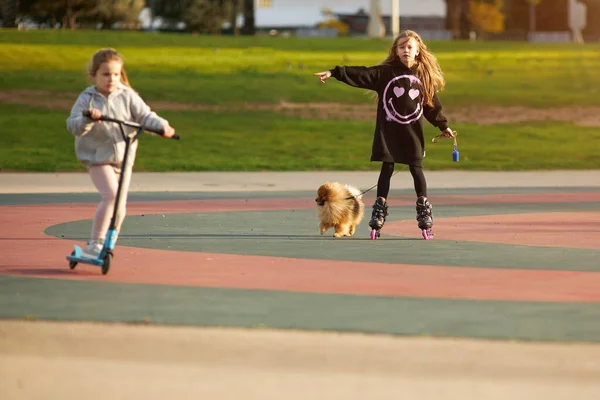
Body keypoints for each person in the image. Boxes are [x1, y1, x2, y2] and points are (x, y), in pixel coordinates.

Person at [313, 30, 455, 239]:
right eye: (401, 47)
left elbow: (432, 107)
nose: (406, 50)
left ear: (417, 51)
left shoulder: (423, 77)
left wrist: (443, 126)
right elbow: (361, 74)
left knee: (416, 169)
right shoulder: (385, 73)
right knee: (387, 167)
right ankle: (380, 208)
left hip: (412, 134)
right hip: (388, 132)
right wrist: (335, 72)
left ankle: (423, 208)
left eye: (410, 47)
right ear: (396, 51)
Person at [67, 48, 176, 258]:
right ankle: (95, 243)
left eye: (116, 74)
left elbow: (145, 116)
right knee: (111, 195)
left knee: (120, 204)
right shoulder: (87, 98)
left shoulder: (127, 95)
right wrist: (88, 119)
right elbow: (73, 125)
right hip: (97, 157)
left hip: (124, 158)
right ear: (94, 75)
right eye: (105, 74)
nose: (111, 79)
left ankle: (108, 243)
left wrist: (163, 127)